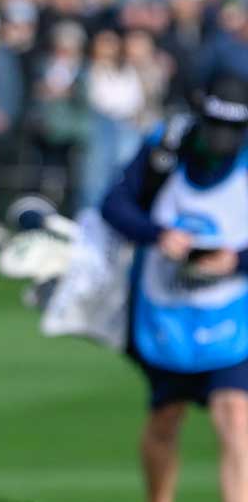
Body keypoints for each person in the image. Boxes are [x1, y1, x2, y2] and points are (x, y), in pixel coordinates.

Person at [101, 70, 248, 502]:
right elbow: (115, 204)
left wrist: (235, 260)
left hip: (233, 310)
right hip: (165, 305)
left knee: (235, 414)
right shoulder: (166, 148)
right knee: (165, 417)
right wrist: (159, 235)